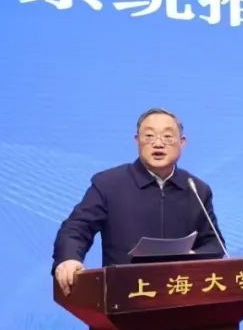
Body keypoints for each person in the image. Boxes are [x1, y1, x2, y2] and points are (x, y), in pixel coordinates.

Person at [52, 108, 225, 295]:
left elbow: (214, 244)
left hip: (181, 293)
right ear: (137, 141)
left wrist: (191, 257)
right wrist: (68, 258)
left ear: (182, 142)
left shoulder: (197, 189)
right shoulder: (109, 184)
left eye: (167, 137)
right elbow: (77, 228)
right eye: (149, 136)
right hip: (125, 295)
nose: (158, 143)